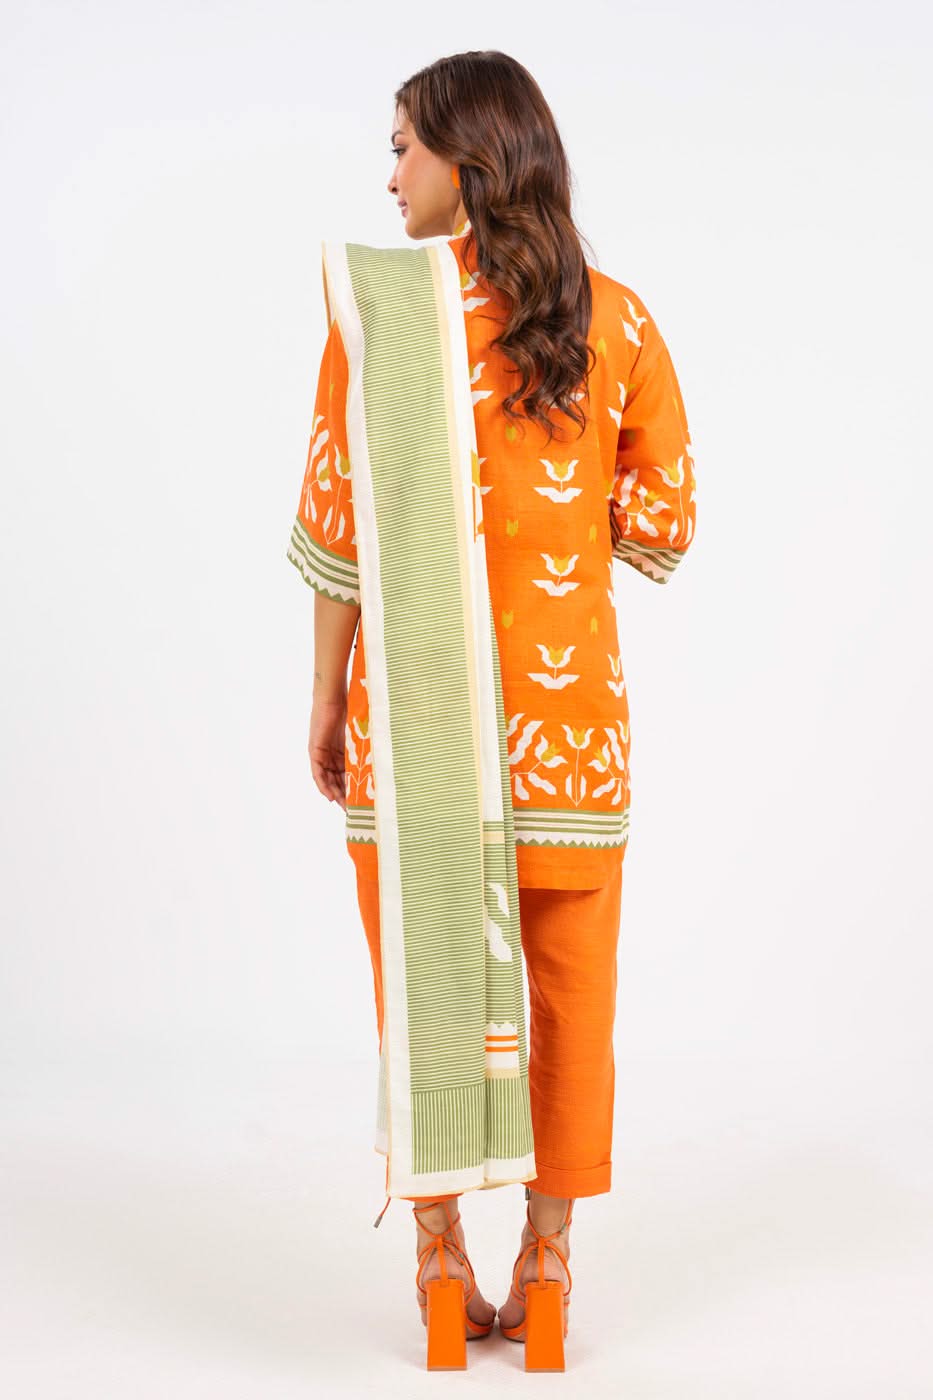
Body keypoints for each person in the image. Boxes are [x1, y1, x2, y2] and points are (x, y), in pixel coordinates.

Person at [287, 50, 696, 1368]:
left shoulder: (376, 317)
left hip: (412, 734)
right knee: (571, 1002)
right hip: (566, 742)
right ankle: (550, 1269)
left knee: (427, 991)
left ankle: (438, 1266)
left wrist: (324, 700)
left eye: (402, 146)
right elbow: (662, 521)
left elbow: (339, 533)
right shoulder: (617, 322)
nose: (389, 176)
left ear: (466, 159)